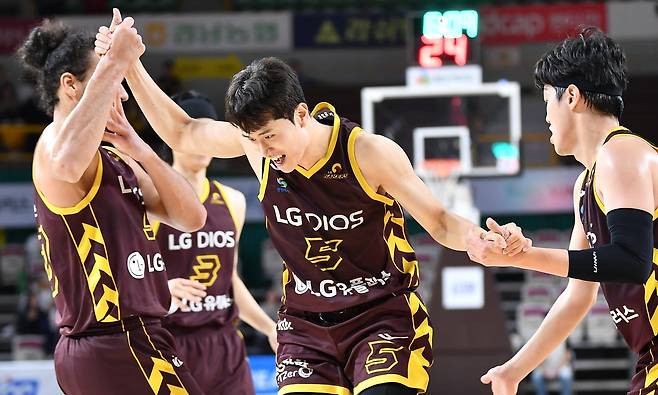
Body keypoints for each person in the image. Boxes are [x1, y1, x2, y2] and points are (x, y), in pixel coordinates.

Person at [95, 11, 529, 394]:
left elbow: (437, 219)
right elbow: (185, 132)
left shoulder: (367, 153)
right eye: (253, 140)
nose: (263, 150)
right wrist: (128, 63)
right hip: (304, 325)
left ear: (301, 115)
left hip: (380, 316)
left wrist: (476, 240)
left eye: (269, 136)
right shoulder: (256, 147)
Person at [465, 27, 658, 395]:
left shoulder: (621, 154)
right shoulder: (585, 184)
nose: (547, 119)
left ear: (571, 97)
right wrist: (514, 370)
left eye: (546, 103)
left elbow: (632, 261)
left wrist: (520, 257)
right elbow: (578, 296)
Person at [19, 17, 207, 394]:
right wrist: (116, 61)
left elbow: (192, 217)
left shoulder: (116, 158)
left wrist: (144, 152)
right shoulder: (53, 144)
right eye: (111, 80)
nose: (121, 95)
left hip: (126, 341)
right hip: (115, 341)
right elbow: (68, 163)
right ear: (69, 85)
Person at [156, 90, 277, 395]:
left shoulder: (232, 201)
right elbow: (126, 273)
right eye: (194, 131)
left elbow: (230, 281)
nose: (202, 142)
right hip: (169, 341)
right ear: (174, 137)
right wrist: (159, 288)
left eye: (207, 132)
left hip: (224, 344)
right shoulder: (152, 199)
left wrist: (269, 327)